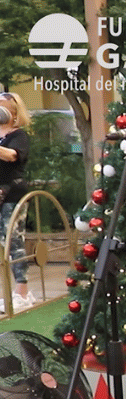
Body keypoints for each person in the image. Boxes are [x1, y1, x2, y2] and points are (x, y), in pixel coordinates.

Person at [0, 92, 31, 310]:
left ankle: (22, 291)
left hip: (12, 193)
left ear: (14, 112)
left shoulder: (19, 136)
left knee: (13, 241)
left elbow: (12, 156)